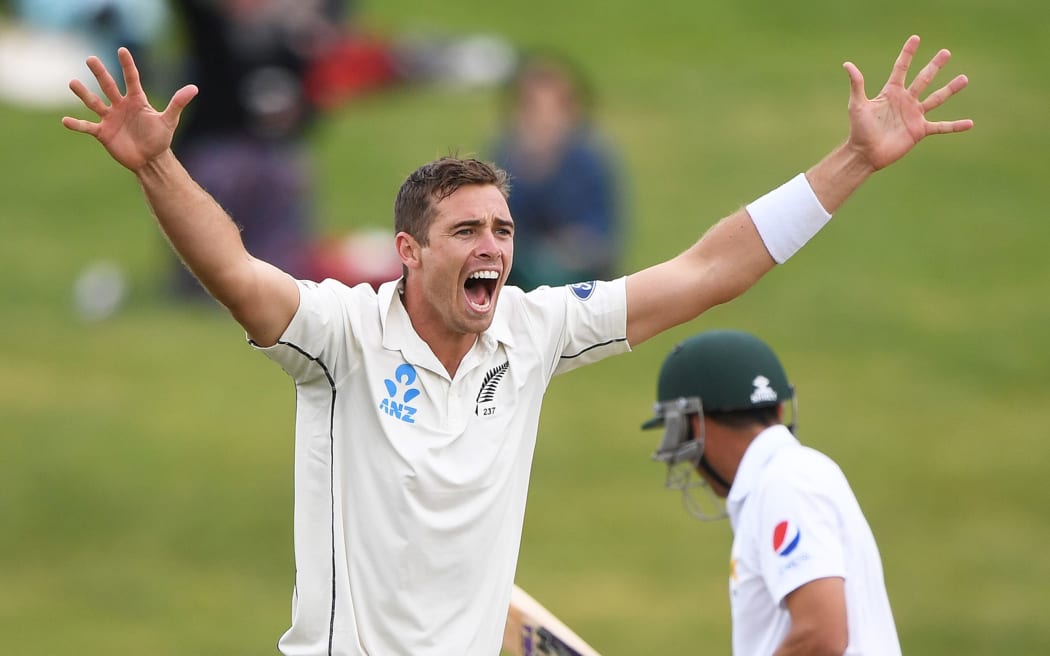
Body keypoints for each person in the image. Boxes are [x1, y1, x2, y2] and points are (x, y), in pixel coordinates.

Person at [61, 35, 970, 655]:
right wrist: (156, 163)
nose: (493, 248)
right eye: (466, 232)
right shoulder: (342, 336)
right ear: (410, 252)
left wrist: (853, 161)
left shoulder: (533, 331)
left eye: (501, 229)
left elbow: (705, 270)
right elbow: (234, 271)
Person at [642, 330, 900, 654]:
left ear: (693, 424)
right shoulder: (790, 476)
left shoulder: (784, 482)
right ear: (779, 410)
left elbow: (821, 636)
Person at [489, 53, 623, 289]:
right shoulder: (506, 156)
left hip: (577, 273)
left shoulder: (588, 160)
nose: (544, 120)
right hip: (519, 268)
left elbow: (600, 232)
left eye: (555, 109)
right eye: (533, 109)